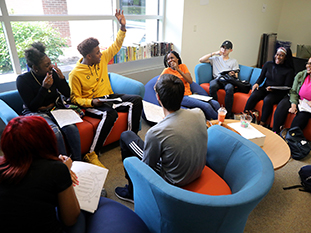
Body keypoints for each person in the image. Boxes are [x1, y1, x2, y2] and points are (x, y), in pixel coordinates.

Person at [115, 74, 208, 203]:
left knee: (126, 136)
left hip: (174, 180)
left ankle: (132, 192)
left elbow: (147, 168)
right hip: (197, 171)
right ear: (182, 95)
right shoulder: (198, 113)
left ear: (158, 97)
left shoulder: (155, 132)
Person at [69, 9, 143, 168]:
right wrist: (91, 102)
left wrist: (122, 27)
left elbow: (116, 46)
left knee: (136, 101)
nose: (101, 54)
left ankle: (131, 141)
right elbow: (74, 98)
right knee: (110, 114)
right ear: (88, 56)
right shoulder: (75, 74)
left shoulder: (100, 60)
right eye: (97, 52)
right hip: (91, 105)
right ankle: (91, 153)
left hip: (108, 97)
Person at [0, 116, 80, 232]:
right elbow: (70, 219)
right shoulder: (56, 170)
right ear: (47, 140)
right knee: (86, 214)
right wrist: (64, 170)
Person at [16, 42, 82, 161]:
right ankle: (63, 164)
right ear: (36, 68)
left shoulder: (52, 74)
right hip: (36, 112)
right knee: (55, 132)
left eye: (50, 63)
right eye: (47, 65)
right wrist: (44, 88)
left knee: (71, 127)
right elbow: (32, 107)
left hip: (54, 109)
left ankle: (78, 161)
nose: (51, 66)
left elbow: (67, 93)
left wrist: (62, 79)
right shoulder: (23, 80)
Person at [160, 51, 220, 120]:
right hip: (181, 96)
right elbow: (157, 85)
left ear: (177, 59)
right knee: (206, 106)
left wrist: (177, 69)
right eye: (168, 59)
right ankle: (220, 122)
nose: (170, 60)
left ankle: (224, 120)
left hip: (190, 95)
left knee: (215, 103)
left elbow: (190, 81)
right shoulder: (166, 71)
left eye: (172, 58)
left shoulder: (183, 67)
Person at [244, 47, 295, 127]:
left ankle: (262, 123)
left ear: (285, 58)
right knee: (254, 94)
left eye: (281, 56)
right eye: (277, 54)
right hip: (266, 88)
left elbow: (287, 87)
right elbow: (261, 77)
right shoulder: (268, 64)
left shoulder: (289, 70)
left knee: (267, 100)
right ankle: (244, 116)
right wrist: (257, 83)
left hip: (278, 93)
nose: (278, 57)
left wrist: (273, 88)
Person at [199, 40, 239, 119]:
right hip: (217, 79)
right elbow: (201, 60)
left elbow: (236, 76)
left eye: (226, 49)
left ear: (231, 50)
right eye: (223, 48)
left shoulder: (233, 61)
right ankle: (214, 109)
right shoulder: (215, 59)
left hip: (227, 80)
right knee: (212, 86)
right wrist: (214, 53)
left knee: (230, 88)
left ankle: (228, 114)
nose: (224, 50)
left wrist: (233, 74)